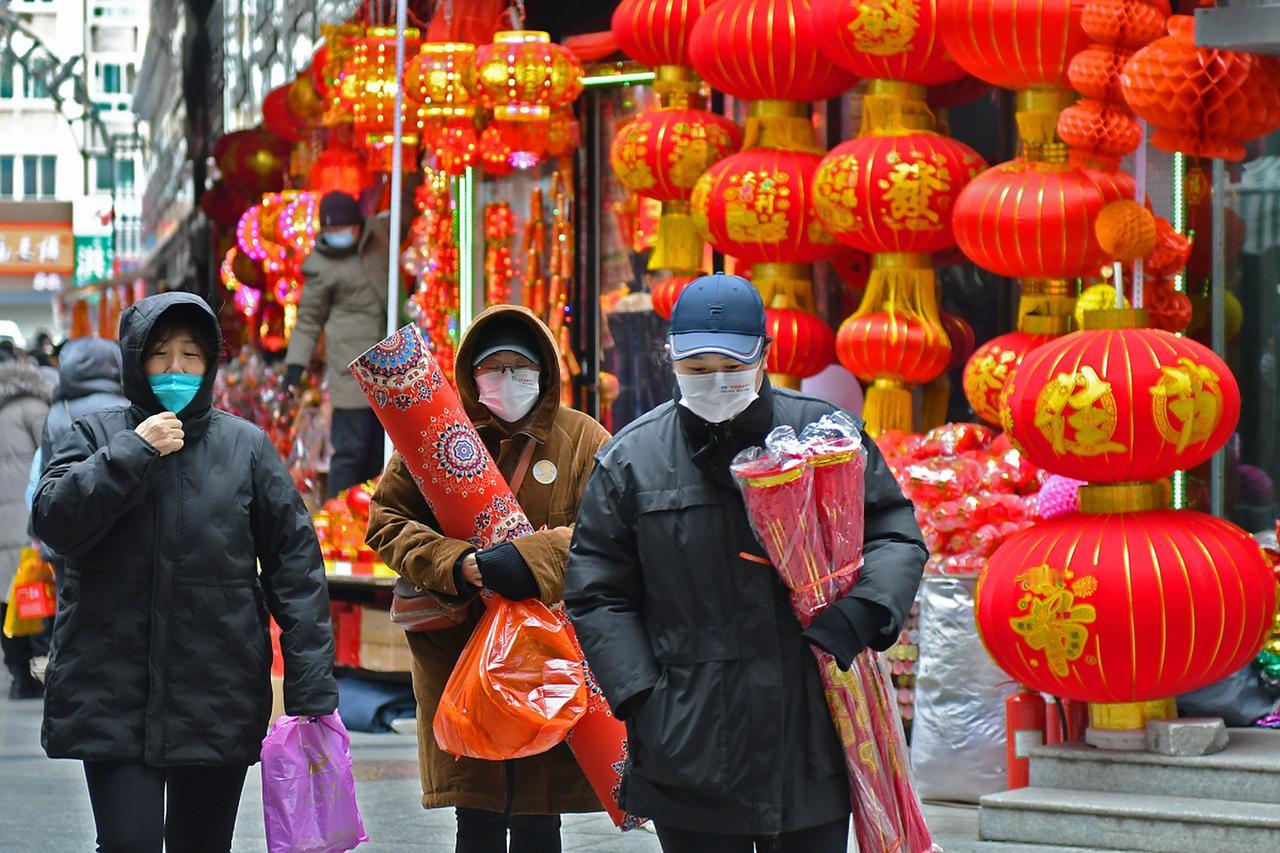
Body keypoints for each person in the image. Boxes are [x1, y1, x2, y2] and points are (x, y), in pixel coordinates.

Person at [564, 274, 928, 853]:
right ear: (671, 360)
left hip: (811, 727)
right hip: (689, 736)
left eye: (731, 365)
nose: (715, 382)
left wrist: (860, 614)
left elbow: (894, 534)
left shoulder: (824, 437)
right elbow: (598, 592)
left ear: (764, 355)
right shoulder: (631, 460)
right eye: (698, 368)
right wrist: (642, 697)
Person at [32, 292, 338, 853]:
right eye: (161, 354)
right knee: (130, 842)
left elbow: (295, 564)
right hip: (110, 690)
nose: (176, 369)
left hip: (214, 693)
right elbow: (56, 521)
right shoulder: (94, 436)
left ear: (210, 364)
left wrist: (310, 681)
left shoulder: (246, 447)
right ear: (135, 360)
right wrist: (133, 452)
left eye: (191, 355)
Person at [366, 305, 610, 853]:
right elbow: (385, 522)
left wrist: (533, 559)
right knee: (474, 813)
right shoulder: (435, 436)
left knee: (537, 815)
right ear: (471, 375)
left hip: (547, 648)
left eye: (519, 368)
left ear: (543, 372)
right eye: (492, 367)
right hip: (458, 645)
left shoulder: (582, 438)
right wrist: (454, 562)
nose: (507, 380)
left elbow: (612, 531)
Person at [285, 190, 390, 498]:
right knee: (351, 451)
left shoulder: (379, 235)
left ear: (358, 224)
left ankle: (376, 518)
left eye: (342, 229)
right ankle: (339, 518)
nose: (337, 236)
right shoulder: (320, 265)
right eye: (330, 231)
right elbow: (308, 319)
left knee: (380, 453)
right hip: (352, 368)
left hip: (392, 360)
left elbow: (405, 214)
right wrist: (296, 364)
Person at [0, 348, 53, 699]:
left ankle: (18, 673)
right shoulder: (36, 410)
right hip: (24, 519)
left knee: (7, 601)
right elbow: (51, 460)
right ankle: (34, 670)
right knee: (32, 596)